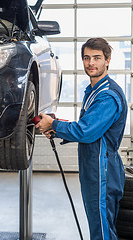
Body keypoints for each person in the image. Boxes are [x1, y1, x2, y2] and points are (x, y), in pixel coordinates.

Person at [35, 38, 127, 240]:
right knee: (98, 222)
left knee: (101, 228)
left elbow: (86, 132)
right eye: (86, 58)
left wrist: (54, 125)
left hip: (102, 169)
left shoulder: (107, 96)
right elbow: (92, 128)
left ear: (108, 60)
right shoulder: (93, 91)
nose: (90, 63)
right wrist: (56, 128)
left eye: (97, 58)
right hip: (93, 167)